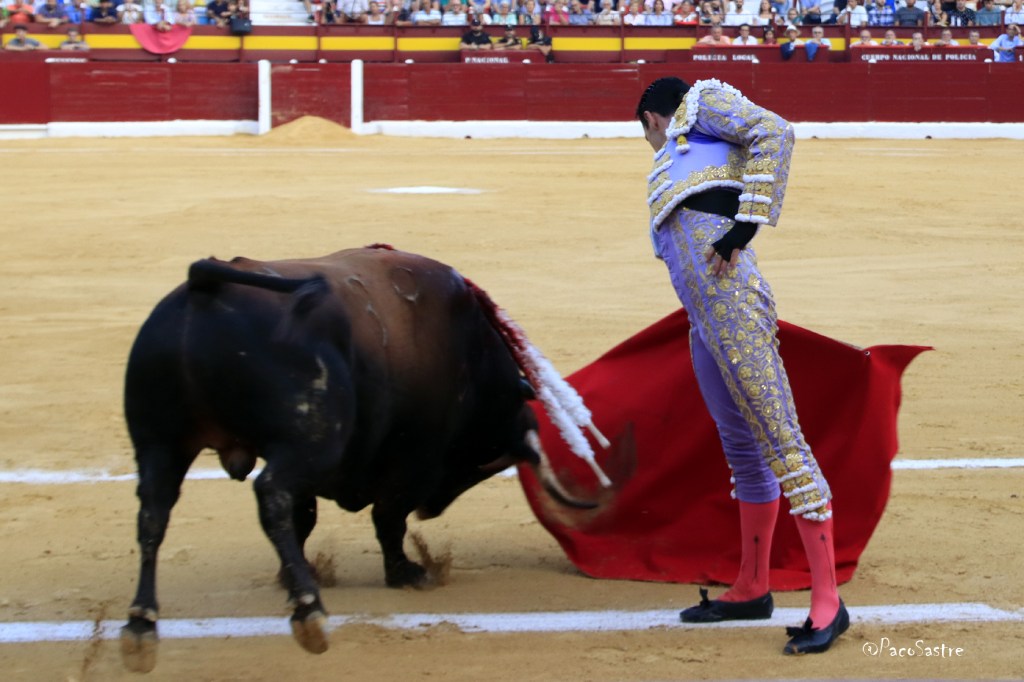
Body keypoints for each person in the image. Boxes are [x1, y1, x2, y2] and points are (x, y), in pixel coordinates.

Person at [635, 76, 847, 655]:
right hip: (704, 316)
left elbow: (774, 131)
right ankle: (753, 587)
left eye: (646, 134)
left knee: (782, 440)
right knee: (744, 449)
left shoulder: (701, 103)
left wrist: (745, 225)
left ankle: (829, 602)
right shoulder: (680, 159)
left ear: (652, 119)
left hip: (730, 301)